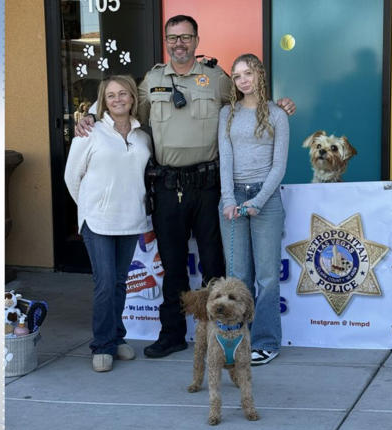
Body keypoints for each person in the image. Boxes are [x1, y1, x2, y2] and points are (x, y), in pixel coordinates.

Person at [76, 15, 296, 359]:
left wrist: (280, 105)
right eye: (173, 38)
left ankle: (217, 336)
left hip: (209, 186)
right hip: (167, 187)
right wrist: (87, 115)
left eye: (186, 37)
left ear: (196, 40)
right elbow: (121, 101)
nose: (179, 43)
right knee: (174, 266)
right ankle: (173, 333)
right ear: (166, 40)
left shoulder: (218, 79)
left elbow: (249, 101)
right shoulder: (152, 79)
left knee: (213, 266)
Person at [64, 75, 152, 372]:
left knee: (119, 282)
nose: (118, 99)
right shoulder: (90, 132)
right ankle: (102, 345)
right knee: (104, 283)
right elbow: (71, 176)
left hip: (130, 220)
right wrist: (91, 207)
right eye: (111, 95)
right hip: (98, 222)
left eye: (123, 94)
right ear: (103, 100)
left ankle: (116, 337)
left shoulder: (142, 135)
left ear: (132, 98)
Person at [218, 54, 288, 365]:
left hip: (266, 198)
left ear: (260, 74)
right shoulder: (227, 114)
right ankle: (235, 340)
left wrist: (258, 202)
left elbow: (279, 165)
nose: (243, 80)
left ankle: (266, 341)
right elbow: (225, 158)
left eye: (248, 73)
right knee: (237, 276)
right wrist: (229, 199)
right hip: (234, 196)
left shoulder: (277, 115)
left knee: (268, 276)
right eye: (237, 76)